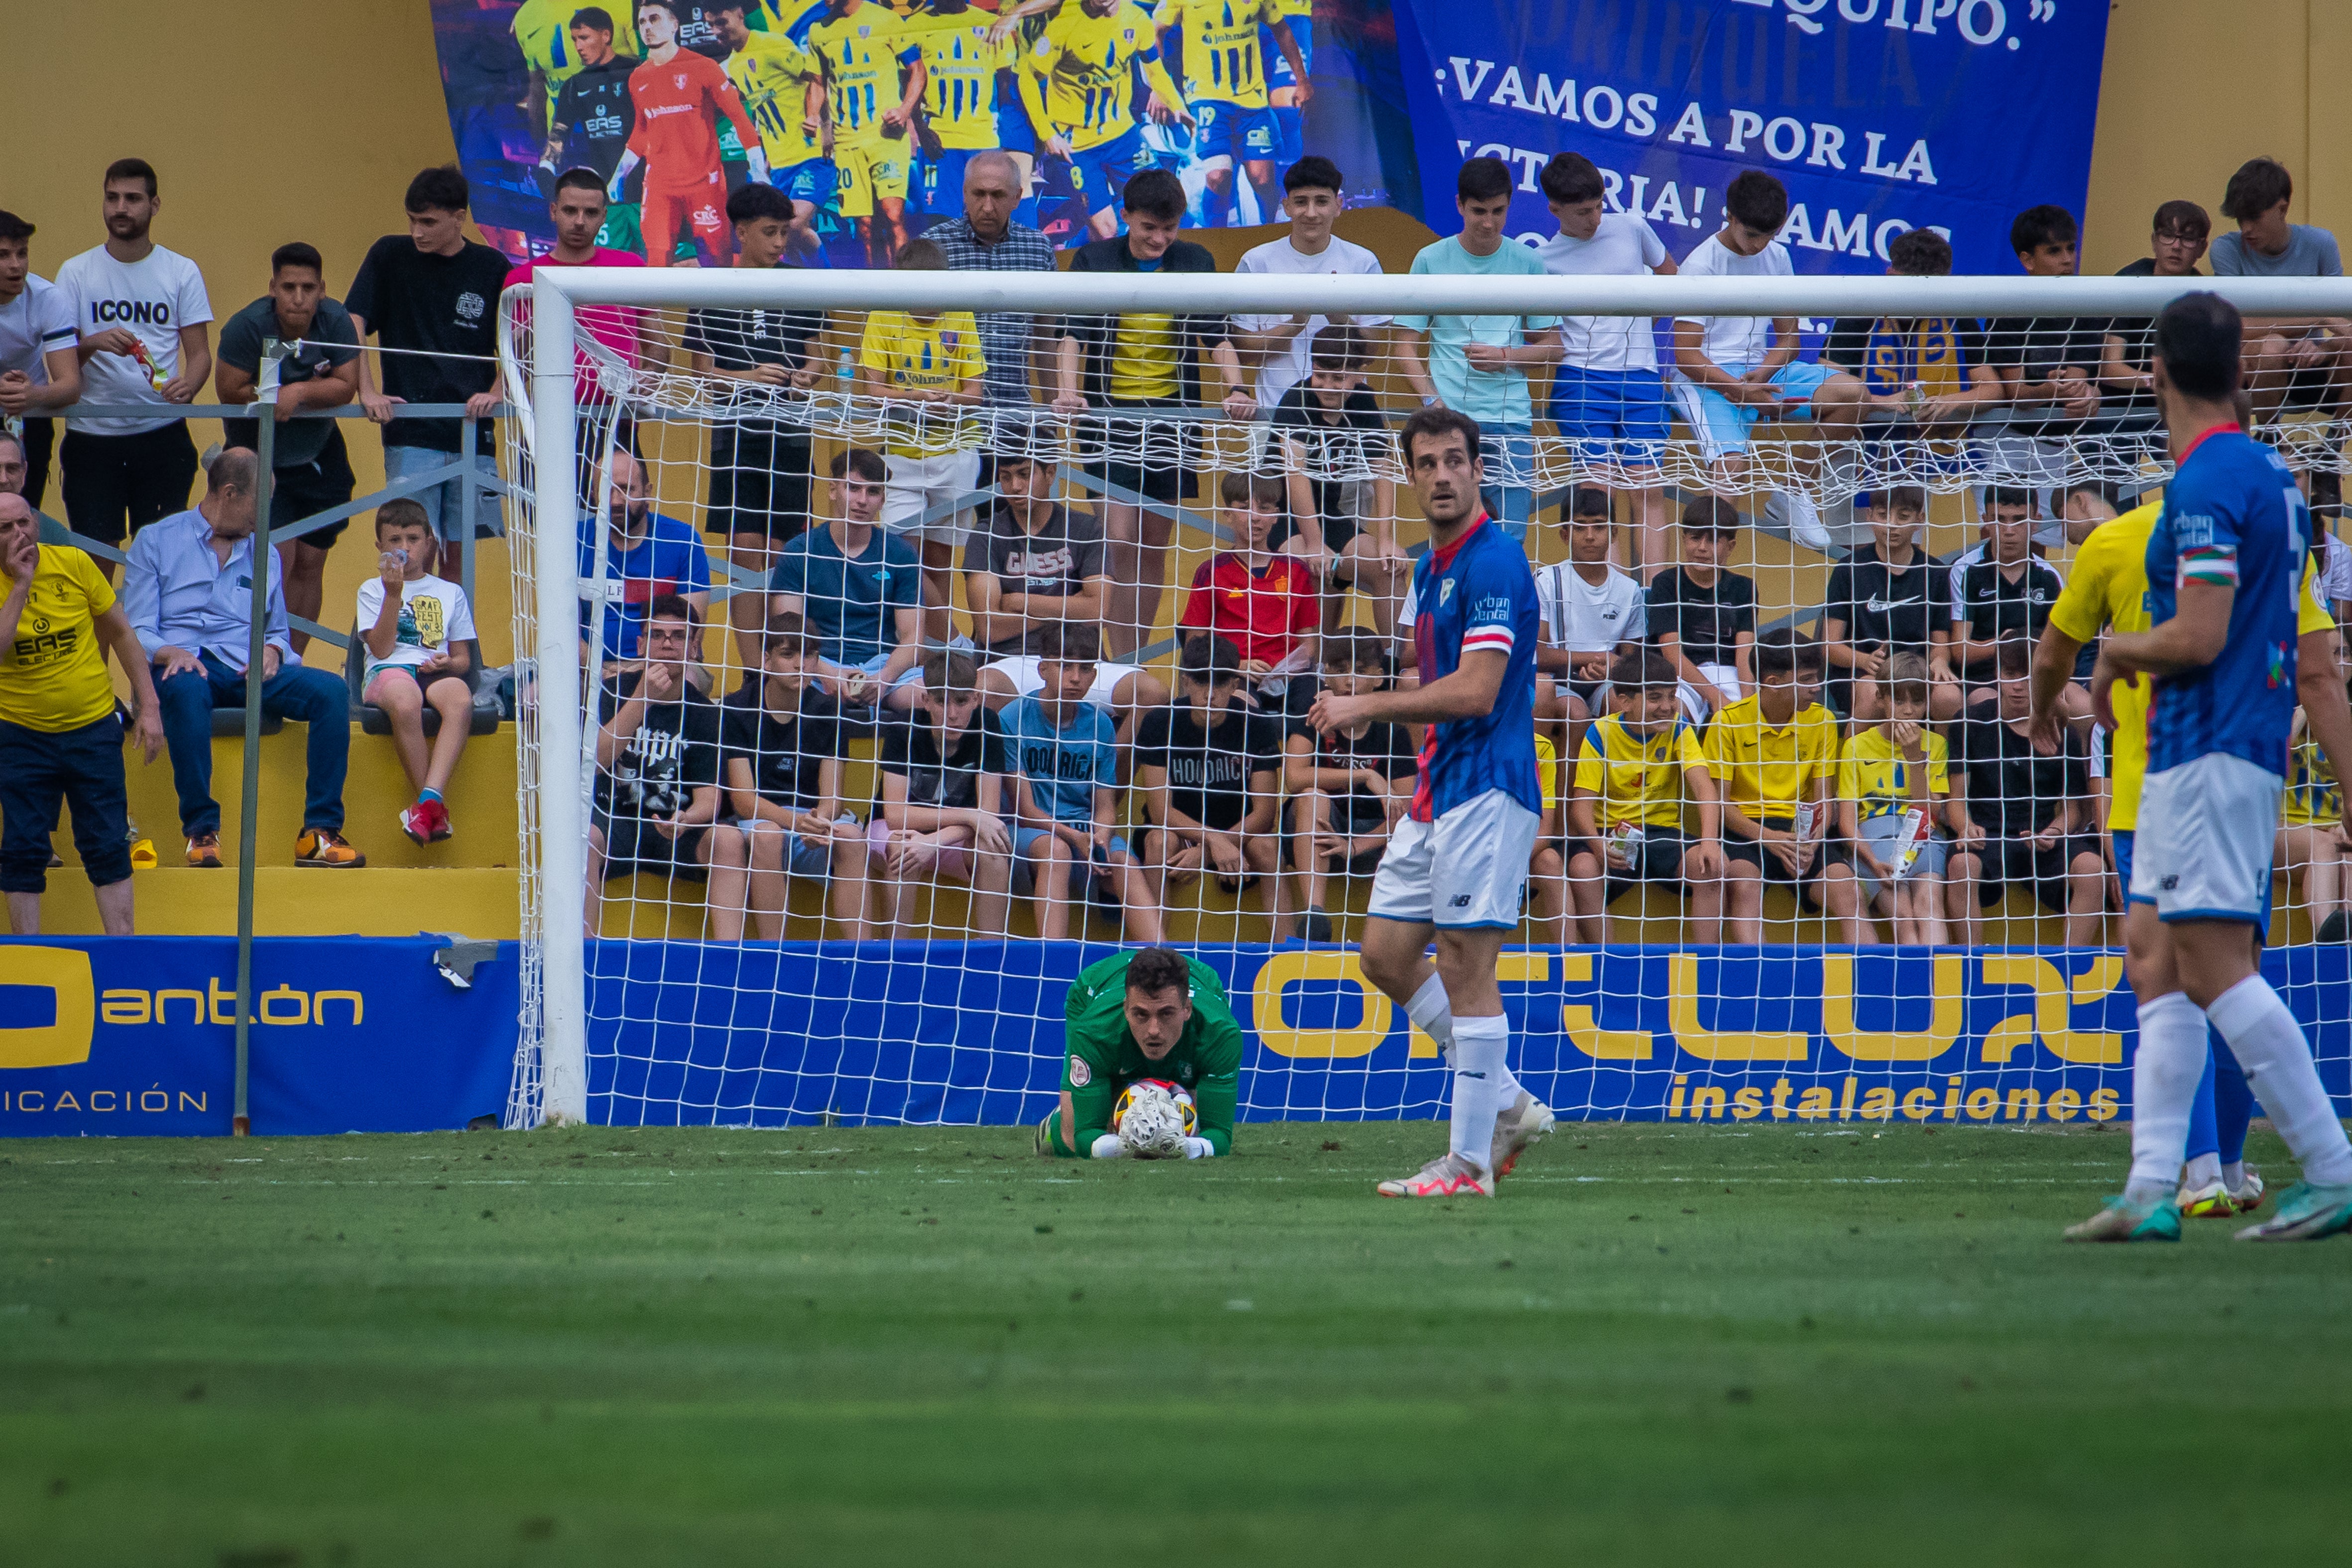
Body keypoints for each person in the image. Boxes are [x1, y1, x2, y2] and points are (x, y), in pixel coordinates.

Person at [2066, 291, 2352, 1241]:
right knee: (2153, 958)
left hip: (2207, 750)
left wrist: (2113, 652)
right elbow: (2309, 658)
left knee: (2216, 967)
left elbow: (2197, 633)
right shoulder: (2273, 476)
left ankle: (2331, 1166)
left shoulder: (2201, 485)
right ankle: (2151, 1188)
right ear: (2240, 371)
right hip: (2214, 750)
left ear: (2153, 372)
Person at [2033, 480, 2337, 1224]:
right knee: (2229, 969)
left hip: (2158, 787)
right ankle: (2219, 1171)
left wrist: (2046, 710)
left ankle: (2213, 1175)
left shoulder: (2116, 542)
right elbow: (2318, 669)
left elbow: (2052, 654)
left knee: (2181, 979)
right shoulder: (2274, 531)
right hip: (2249, 786)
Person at [1306, 406, 1551, 1199]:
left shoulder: (1495, 563)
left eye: (1455, 460)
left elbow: (1478, 692)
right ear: (1410, 476)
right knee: (1382, 954)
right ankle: (1507, 1100)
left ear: (1479, 469)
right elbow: (1434, 688)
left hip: (1489, 790)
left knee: (1464, 966)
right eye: (1427, 463)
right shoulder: (1429, 569)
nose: (1442, 475)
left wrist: (1363, 705)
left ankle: (1470, 1164)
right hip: (1439, 792)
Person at [121, 449, 361, 870]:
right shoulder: (156, 540)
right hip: (183, 663)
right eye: (260, 503)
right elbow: (137, 628)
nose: (265, 516)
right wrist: (170, 650)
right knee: (184, 686)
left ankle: (319, 833)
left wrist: (272, 651)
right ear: (229, 493)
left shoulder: (262, 551)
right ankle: (201, 832)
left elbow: (278, 632)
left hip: (246, 666)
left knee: (331, 691)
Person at [1055, 168, 1256, 657]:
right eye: (1149, 228)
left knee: (1150, 544)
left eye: (1169, 229)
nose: (1160, 239)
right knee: (1117, 541)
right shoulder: (1094, 259)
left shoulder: (1194, 260)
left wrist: (1236, 388)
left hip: (1172, 422)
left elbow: (1217, 337)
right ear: (1124, 218)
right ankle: (1117, 658)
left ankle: (1132, 658)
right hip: (1109, 419)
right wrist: (1066, 393)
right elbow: (1071, 335)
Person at [1670, 170, 1866, 553]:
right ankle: (1711, 589)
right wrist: (1739, 390)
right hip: (1707, 380)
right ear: (1730, 217)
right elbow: (1686, 355)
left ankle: (1792, 492)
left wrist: (1766, 371)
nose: (1760, 246)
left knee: (1853, 394)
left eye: (1769, 236)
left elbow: (1791, 339)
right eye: (1752, 235)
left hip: (1762, 373)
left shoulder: (1778, 257)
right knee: (1729, 475)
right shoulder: (1701, 266)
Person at [0, 493, 163, 934]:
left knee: (108, 844)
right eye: (5, 529)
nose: (20, 535)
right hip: (21, 734)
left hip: (92, 728)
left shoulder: (74, 563)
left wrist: (148, 705)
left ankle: (122, 954)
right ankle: (29, 960)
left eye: (24, 523)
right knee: (23, 849)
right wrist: (20, 584)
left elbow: (123, 633)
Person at [682, 183, 821, 673]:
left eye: (785, 232)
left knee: (784, 554)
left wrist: (807, 374)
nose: (780, 242)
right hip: (736, 434)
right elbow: (701, 370)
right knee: (745, 550)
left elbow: (817, 353)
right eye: (769, 232)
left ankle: (783, 667)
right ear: (741, 232)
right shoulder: (713, 287)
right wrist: (747, 377)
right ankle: (751, 673)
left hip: (790, 432)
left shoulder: (800, 283)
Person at [348, 166, 510, 581]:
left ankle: (455, 648)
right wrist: (365, 389)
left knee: (461, 560)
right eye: (412, 221)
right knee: (411, 557)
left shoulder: (492, 265)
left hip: (475, 433)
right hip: (411, 431)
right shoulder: (389, 254)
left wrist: (499, 389)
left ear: (460, 217)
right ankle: (413, 647)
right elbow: (352, 321)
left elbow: (520, 341)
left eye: (429, 222)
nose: (418, 232)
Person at [1394, 158, 1563, 543]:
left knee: (1510, 542)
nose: (1488, 222)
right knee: (1449, 537)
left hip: (1510, 421)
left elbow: (1553, 347)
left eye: (1498, 211)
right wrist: (1433, 403)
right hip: (1449, 424)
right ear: (1459, 205)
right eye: (1479, 211)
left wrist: (1505, 356)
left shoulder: (1528, 262)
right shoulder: (1430, 260)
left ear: (1510, 205)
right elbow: (1405, 346)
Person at [54, 159, 212, 568]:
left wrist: (188, 386)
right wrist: (94, 342)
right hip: (92, 436)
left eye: (132, 198)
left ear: (155, 205)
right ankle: (100, 637)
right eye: (112, 198)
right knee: (93, 565)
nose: (120, 208)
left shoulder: (181, 271)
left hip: (161, 433)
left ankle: (147, 637)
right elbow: (59, 366)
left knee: (160, 564)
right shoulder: (75, 272)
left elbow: (199, 355)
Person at [214, 242, 361, 655]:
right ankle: (255, 665)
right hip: (258, 459)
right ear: (272, 288)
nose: (299, 298)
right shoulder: (246, 326)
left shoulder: (336, 322)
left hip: (320, 457)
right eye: (289, 287)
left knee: (311, 566)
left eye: (308, 288)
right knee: (275, 564)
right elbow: (229, 392)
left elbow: (346, 385)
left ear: (323, 291)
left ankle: (289, 663)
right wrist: (273, 394)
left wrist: (298, 391)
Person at [1535, 151, 1677, 574]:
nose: (1595, 218)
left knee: (1648, 490)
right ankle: (1607, 607)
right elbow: (1543, 332)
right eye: (1584, 212)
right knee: (1598, 492)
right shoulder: (1543, 260)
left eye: (1599, 206)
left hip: (1642, 376)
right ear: (1555, 209)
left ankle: (1656, 608)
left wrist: (1637, 330)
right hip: (1581, 378)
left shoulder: (1632, 227)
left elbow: (1673, 279)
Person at [585, 593, 748, 938]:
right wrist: (643, 697)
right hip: (615, 821)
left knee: (729, 839)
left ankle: (729, 961)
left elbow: (710, 799)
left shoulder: (705, 713)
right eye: (657, 635)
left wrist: (688, 819)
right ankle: (581, 955)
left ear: (693, 649)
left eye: (679, 637)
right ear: (642, 643)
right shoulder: (610, 692)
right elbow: (593, 764)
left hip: (675, 829)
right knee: (581, 837)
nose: (667, 644)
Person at [859, 238, 986, 640]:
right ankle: (948, 642)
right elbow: (872, 392)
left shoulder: (961, 314)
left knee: (939, 562)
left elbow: (975, 393)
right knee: (904, 558)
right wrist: (914, 399)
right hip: (901, 456)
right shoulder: (883, 316)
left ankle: (935, 657)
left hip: (956, 452)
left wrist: (951, 400)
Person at [1002, 621, 1161, 941]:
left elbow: (1104, 805)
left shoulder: (1100, 724)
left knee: (1125, 864)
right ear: (1043, 668)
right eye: (1064, 666)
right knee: (1056, 851)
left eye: (1086, 669)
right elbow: (1024, 808)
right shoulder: (1012, 716)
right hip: (1031, 832)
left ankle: (1164, 962)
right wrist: (1074, 837)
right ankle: (1052, 960)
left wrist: (1100, 838)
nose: (1075, 677)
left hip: (1083, 830)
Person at [1706, 629, 1864, 945]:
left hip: (1802, 829)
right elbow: (1721, 806)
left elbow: (1824, 800)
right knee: (1744, 886)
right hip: (1747, 828)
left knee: (1849, 890)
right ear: (1773, 682)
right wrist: (1770, 839)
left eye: (1816, 678)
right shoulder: (1727, 722)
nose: (1816, 688)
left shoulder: (1823, 721)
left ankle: (1869, 989)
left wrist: (1812, 845)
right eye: (1806, 680)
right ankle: (1758, 984)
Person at [721, 611, 870, 941]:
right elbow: (744, 802)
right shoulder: (737, 708)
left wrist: (819, 821)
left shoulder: (828, 709)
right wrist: (796, 823)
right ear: (767, 659)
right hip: (759, 824)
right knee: (768, 835)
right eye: (789, 655)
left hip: (808, 824)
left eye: (809, 655)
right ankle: (776, 956)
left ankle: (862, 957)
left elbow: (833, 796)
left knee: (853, 838)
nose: (801, 664)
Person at [1947, 638, 2103, 948]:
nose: (2018, 685)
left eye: (2027, 676)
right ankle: (1971, 966)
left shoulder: (2062, 730)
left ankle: (2073, 969)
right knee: (1961, 866)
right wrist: (1965, 827)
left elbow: (2074, 808)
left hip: (2040, 835)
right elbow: (1956, 799)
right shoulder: (1969, 723)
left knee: (2092, 869)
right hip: (1987, 834)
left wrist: (2054, 831)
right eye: (2009, 674)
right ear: (1998, 674)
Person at [1564, 646, 1725, 945]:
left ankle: (1706, 966)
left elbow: (1705, 790)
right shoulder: (1601, 732)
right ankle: (1607, 965)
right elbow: (1580, 808)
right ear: (1624, 701)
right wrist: (1599, 846)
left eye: (1671, 696)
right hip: (1612, 833)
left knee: (1715, 866)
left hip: (1662, 831)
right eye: (1655, 698)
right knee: (1582, 868)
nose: (1667, 706)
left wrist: (1710, 842)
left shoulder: (1678, 727)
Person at [1267, 324, 1408, 638]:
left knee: (1390, 566)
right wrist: (1316, 544)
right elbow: (1296, 473)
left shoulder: (1363, 401)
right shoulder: (1296, 400)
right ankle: (1308, 670)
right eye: (1320, 376)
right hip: (1281, 515)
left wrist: (1385, 537)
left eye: (1339, 378)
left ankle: (1397, 666)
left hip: (1329, 515)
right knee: (1312, 565)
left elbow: (1383, 470)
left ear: (1359, 374)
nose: (1328, 386)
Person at [1135, 633, 1286, 923]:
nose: (1210, 693)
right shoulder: (1159, 724)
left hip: (1239, 833)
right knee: (1158, 841)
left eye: (1220, 682)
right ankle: (1154, 950)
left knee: (1267, 847)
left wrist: (1209, 851)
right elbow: (1159, 811)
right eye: (1202, 681)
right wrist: (1212, 843)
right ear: (1187, 681)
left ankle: (1290, 954)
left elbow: (1265, 813)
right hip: (1181, 833)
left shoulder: (1256, 725)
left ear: (1234, 684)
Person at [1035, 946, 1237, 1160]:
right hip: (1093, 990)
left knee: (1191, 1125)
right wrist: (1128, 1146)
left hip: (1205, 981)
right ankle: (1053, 1123)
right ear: (1125, 1008)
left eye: (1166, 1013)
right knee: (1072, 1142)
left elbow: (1219, 1135)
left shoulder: (1220, 1033)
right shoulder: (1093, 1032)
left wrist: (1185, 1147)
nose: (1154, 1030)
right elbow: (1085, 1136)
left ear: (1187, 1009)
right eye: (1141, 1014)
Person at [867, 646, 1014, 938]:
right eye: (941, 702)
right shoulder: (903, 728)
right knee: (904, 848)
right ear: (925, 700)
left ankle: (993, 958)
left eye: (961, 702)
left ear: (976, 699)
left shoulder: (988, 724)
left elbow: (989, 814)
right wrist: (971, 817)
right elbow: (895, 815)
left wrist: (934, 841)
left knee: (994, 847)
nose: (952, 714)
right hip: (893, 831)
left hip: (953, 837)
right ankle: (897, 956)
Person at [605, 0, 766, 266]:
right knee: (657, 259)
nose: (647, 27)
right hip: (659, 186)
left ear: (674, 25)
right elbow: (641, 132)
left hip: (704, 182)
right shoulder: (638, 78)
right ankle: (662, 309)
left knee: (719, 257)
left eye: (654, 19)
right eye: (642, 22)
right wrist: (617, 177)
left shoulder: (703, 67)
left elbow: (739, 116)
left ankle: (727, 307)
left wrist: (758, 167)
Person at [355, 498, 477, 848]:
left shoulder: (450, 592)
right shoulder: (371, 588)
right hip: (388, 671)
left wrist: (448, 665)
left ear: (429, 543)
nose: (404, 548)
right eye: (394, 540)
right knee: (406, 700)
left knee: (461, 699)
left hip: (433, 671)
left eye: (412, 539)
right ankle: (433, 810)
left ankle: (427, 803)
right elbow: (380, 649)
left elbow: (463, 660)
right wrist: (393, 595)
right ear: (380, 546)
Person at [767, 447, 925, 711]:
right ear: (833, 491)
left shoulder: (900, 553)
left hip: (883, 666)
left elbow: (914, 637)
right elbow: (787, 631)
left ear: (883, 500)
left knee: (930, 701)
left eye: (873, 491)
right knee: (789, 691)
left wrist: (883, 680)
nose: (862, 500)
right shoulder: (799, 550)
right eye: (853, 488)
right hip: (817, 664)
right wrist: (828, 674)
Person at [1230, 156, 1390, 414]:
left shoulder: (1363, 262)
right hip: (1275, 413)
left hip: (1346, 415)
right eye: (1301, 202)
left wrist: (1340, 318)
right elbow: (1244, 350)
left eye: (1322, 202)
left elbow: (1371, 352)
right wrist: (1294, 324)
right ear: (1287, 206)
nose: (1312, 213)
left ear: (1339, 206)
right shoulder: (1256, 261)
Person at [1022, 0, 1189, 242]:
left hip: (1123, 136)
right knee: (1107, 231)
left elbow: (1154, 68)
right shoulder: (1063, 26)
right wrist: (1047, 132)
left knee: (1159, 205)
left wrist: (1176, 104)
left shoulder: (1137, 19)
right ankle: (1074, 259)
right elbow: (1027, 78)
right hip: (1077, 145)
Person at [1283, 631, 1412, 943]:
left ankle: (1378, 936)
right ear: (1326, 674)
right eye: (1340, 670)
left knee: (1403, 820)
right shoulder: (1314, 717)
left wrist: (1356, 846)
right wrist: (1365, 776)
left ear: (1379, 679)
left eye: (1361, 671)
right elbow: (1294, 777)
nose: (1350, 681)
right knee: (1313, 796)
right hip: (1319, 829)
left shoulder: (1392, 729)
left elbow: (1407, 807)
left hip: (1372, 834)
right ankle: (1315, 917)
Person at [1818, 227, 2002, 444]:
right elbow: (1823, 387)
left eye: (1928, 296)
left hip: (1941, 452)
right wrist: (1879, 401)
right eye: (1910, 293)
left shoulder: (1958, 318)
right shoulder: (1859, 316)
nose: (1917, 304)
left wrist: (1951, 402)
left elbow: (1994, 390)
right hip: (1861, 447)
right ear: (1890, 276)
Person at [1982, 205, 2109, 492]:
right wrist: (2053, 390)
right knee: (2000, 531)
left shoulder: (2088, 310)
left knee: (2047, 535)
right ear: (2028, 260)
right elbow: (2017, 396)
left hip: (2057, 443)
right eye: (2054, 251)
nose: (2067, 260)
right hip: (2004, 438)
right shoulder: (2006, 310)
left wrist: (2087, 395)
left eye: (2071, 249)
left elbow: (2074, 389)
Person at [2211, 157, 2349, 420]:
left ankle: (2334, 444)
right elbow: (2236, 328)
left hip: (2313, 361)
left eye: (2254, 218)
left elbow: (2344, 322)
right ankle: (2271, 440)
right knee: (2273, 347)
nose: (2246, 228)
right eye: (2240, 219)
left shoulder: (2321, 243)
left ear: (2282, 209)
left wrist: (2326, 348)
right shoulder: (2227, 249)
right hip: (2252, 363)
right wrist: (2317, 317)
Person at [1838, 654, 1962, 947]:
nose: (1908, 711)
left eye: (1917, 702)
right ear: (1881, 699)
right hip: (1874, 837)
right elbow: (1846, 822)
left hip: (1923, 832)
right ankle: (1913, 987)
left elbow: (1930, 811)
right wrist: (1871, 860)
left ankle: (1939, 986)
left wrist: (1914, 758)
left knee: (1930, 906)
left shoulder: (1936, 744)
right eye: (1899, 701)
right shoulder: (1857, 746)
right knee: (1903, 915)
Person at [1176, 473, 1320, 714]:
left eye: (1264, 509)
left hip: (1290, 677)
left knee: (1317, 705)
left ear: (1276, 516)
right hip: (1235, 675)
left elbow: (1309, 645)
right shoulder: (1212, 572)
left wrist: (1288, 670)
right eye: (1244, 508)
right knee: (1241, 707)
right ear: (1228, 515)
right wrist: (1237, 665)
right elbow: (1194, 644)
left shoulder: (1297, 570)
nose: (1255, 517)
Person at [1153, 0, 1304, 228]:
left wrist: (1302, 79)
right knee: (1218, 177)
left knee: (1262, 179)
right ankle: (1216, 239)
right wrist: (1159, 86)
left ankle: (1272, 229)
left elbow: (1281, 29)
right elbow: (1156, 30)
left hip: (1252, 100)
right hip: (1207, 99)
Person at [1817, 485, 1960, 723]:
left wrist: (1940, 661)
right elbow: (1830, 647)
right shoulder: (1848, 569)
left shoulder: (1934, 572)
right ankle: (1853, 758)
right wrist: (1865, 660)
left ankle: (1944, 760)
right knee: (1874, 694)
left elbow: (1941, 642)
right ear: (1870, 516)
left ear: (1920, 519)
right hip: (1863, 673)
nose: (1892, 525)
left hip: (1916, 673)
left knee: (1949, 697)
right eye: (1883, 515)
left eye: (1903, 517)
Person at [929, 150, 1057, 410]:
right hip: (948, 417)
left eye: (998, 195)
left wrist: (1051, 416)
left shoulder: (1039, 249)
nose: (988, 207)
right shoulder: (933, 246)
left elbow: (1045, 340)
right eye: (979, 194)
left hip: (1016, 415)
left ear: (1017, 197)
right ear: (965, 193)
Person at [504, 169, 650, 392]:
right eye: (570, 211)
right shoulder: (522, 278)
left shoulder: (630, 267)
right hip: (551, 416)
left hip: (619, 414)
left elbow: (657, 345)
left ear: (604, 216)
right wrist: (498, 391)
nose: (580, 221)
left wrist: (647, 380)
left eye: (591, 213)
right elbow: (518, 357)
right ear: (554, 211)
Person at [807, 0, 924, 267]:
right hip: (847, 141)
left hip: (886, 137)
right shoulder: (818, 31)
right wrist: (816, 117)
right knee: (865, 226)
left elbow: (917, 69)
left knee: (894, 216)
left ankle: (905, 292)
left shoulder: (886, 20)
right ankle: (878, 296)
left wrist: (904, 111)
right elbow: (818, 81)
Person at [580, 450, 713, 673]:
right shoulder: (574, 542)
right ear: (593, 494)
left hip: (668, 668)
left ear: (648, 492)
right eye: (606, 490)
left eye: (626, 489)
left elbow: (689, 633)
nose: (615, 501)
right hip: (588, 670)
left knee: (688, 679)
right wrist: (602, 675)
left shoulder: (683, 540)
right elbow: (563, 631)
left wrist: (631, 676)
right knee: (533, 695)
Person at [1534, 486, 1644, 756]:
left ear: (1614, 533)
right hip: (1555, 680)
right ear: (1564, 535)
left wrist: (1611, 668)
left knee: (1626, 706)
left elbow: (1629, 660)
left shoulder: (1630, 590)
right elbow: (1537, 655)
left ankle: (1616, 794)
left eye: (1599, 527)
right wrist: (1597, 657)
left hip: (1604, 681)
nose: (1590, 536)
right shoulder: (1547, 580)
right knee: (1576, 713)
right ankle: (1561, 798)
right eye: (1580, 527)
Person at [963, 452, 1106, 657]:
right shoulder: (986, 534)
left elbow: (1098, 610)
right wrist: (1070, 611)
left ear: (1050, 473)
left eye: (1025, 474)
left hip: (1080, 658)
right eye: (1005, 477)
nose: (1015, 487)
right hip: (1009, 658)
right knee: (987, 686)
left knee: (1150, 690)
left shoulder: (1086, 528)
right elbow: (990, 628)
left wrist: (1018, 602)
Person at [711, 2, 826, 251]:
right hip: (779, 162)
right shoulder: (731, 66)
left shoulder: (772, 44)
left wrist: (818, 119)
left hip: (810, 153)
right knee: (785, 238)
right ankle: (806, 284)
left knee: (792, 225)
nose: (717, 31)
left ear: (741, 15)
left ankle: (830, 285)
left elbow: (817, 78)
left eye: (722, 22)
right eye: (711, 25)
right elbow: (761, 110)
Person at [535, 7, 646, 254]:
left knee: (662, 274)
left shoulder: (638, 72)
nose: (578, 47)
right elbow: (558, 135)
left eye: (584, 38)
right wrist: (546, 167)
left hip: (650, 195)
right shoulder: (574, 85)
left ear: (606, 36)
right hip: (606, 201)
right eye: (575, 39)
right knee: (610, 278)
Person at [1950, 488, 2068, 710]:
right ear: (1985, 521)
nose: (2009, 530)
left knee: (2078, 704)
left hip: (2035, 674)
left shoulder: (2049, 577)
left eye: (2019, 520)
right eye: (1999, 520)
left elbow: (2058, 646)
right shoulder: (1965, 570)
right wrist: (2002, 645)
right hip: (1983, 677)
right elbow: (1960, 651)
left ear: (2036, 522)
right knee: (1985, 705)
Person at [2099, 200, 2211, 429]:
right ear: (2154, 242)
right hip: (2116, 406)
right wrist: (2155, 380)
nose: (2176, 246)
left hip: (2178, 406)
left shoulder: (2203, 296)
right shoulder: (2129, 283)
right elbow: (2109, 369)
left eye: (2188, 239)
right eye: (2168, 235)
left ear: (2202, 248)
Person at [1645, 496, 1757, 723]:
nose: (1702, 548)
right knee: (1675, 715)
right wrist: (1715, 697)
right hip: (1681, 674)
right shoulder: (1666, 583)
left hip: (1728, 672)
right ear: (1684, 538)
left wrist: (1747, 703)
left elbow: (1744, 654)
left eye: (1713, 541)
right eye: (1695, 538)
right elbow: (1671, 653)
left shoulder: (1744, 588)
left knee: (1745, 719)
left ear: (1731, 546)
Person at [0, 210, 83, 511]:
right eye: (3, 255)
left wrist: (31, 395)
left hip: (30, 417)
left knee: (22, 515)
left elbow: (70, 386)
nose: (15, 266)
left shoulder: (48, 297)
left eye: (22, 254)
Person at [900, 0, 1005, 225]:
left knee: (985, 218)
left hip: (983, 142)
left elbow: (1005, 82)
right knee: (939, 221)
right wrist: (922, 130)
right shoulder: (914, 24)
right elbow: (907, 82)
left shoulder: (991, 24)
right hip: (938, 141)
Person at [2278, 672, 2352, 945]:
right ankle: (2327, 935)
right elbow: (2272, 754)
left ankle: (2347, 944)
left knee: (2347, 854)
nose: (2337, 663)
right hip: (2281, 825)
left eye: (2344, 652)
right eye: (2331, 653)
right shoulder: (2281, 706)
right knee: (2323, 846)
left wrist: (2345, 826)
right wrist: (2309, 706)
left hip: (2334, 828)